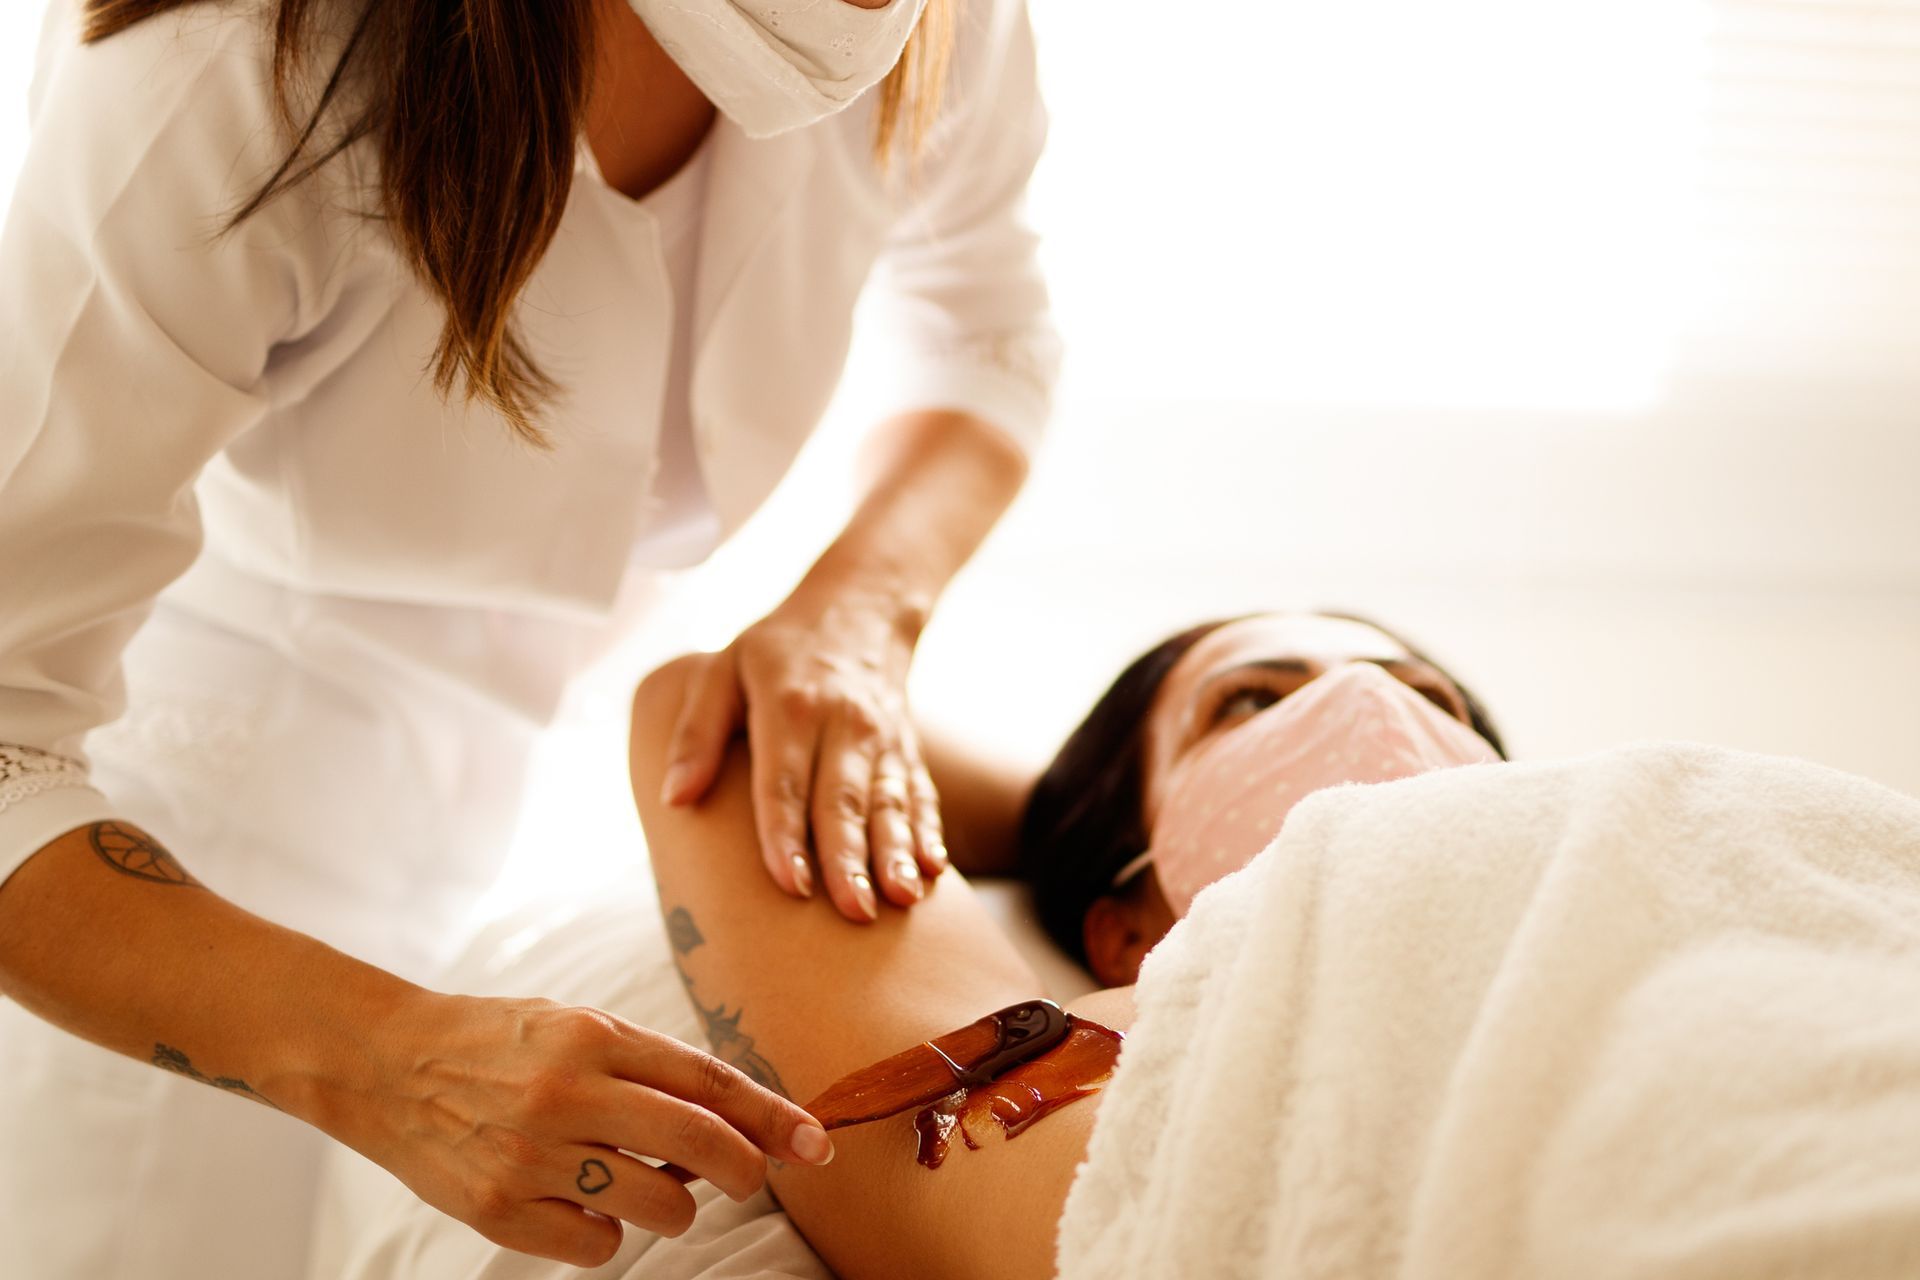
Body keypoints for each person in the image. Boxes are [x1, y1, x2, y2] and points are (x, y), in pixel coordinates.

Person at [0, 0, 1058, 1273]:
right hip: (173, 904)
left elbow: (982, 333)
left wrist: (857, 613)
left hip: (532, 829)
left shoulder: (939, 23)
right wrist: (384, 1056)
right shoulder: (221, 66)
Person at [624, 611, 1506, 1278]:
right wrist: (1069, 830)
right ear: (1125, 933)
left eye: (1428, 702)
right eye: (1250, 701)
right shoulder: (1112, 1071)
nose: (1370, 710)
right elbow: (738, 714)